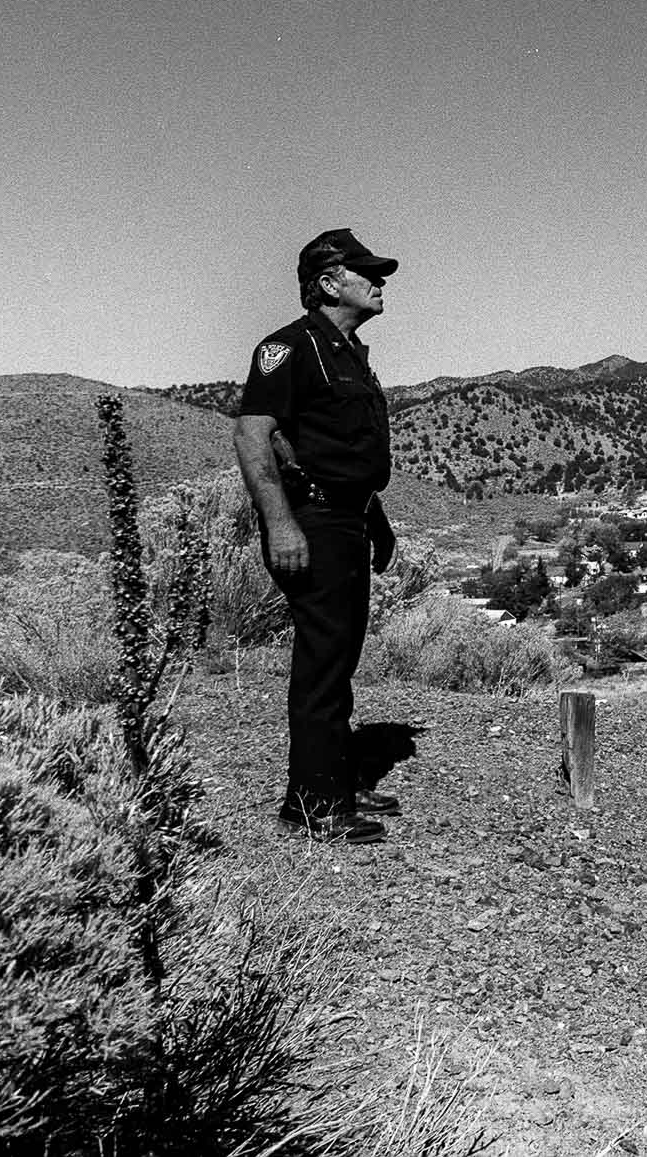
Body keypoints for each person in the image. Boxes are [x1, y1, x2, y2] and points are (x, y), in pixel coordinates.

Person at [234, 228, 403, 844]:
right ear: (330, 282)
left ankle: (334, 779)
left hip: (345, 517)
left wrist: (372, 516)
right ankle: (313, 804)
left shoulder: (349, 351)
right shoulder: (289, 348)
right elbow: (253, 437)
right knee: (323, 660)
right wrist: (280, 523)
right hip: (312, 519)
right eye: (367, 273)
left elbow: (340, 451)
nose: (379, 282)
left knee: (340, 655)